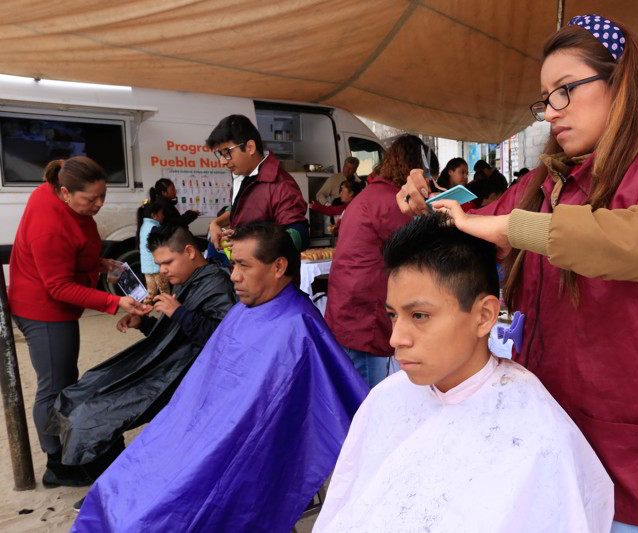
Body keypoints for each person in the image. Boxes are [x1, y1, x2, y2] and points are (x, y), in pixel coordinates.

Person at [398, 14, 638, 533]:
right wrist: (426, 207)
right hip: (541, 433)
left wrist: (521, 227)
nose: (551, 112)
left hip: (624, 449)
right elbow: (476, 227)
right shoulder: (539, 184)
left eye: (565, 91)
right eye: (546, 98)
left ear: (619, 83)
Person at [314, 214, 614, 533]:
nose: (395, 338)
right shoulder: (385, 399)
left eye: (419, 315)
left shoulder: (537, 436)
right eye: (393, 315)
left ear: (484, 316)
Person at [72, 222, 368, 533]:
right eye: (232, 264)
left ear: (279, 266)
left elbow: (279, 421)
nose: (234, 276)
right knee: (118, 486)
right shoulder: (245, 310)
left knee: (151, 512)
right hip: (195, 430)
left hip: (229, 451)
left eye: (243, 265)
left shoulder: (298, 329)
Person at [51, 224, 236, 477]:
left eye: (168, 262)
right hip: (166, 366)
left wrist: (179, 312)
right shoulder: (185, 281)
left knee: (93, 414)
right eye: (159, 264)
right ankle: (107, 474)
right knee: (84, 390)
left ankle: (111, 480)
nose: (163, 271)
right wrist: (144, 323)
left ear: (190, 251)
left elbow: (222, 342)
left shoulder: (216, 284)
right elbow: (172, 336)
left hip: (183, 376)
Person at [9, 157, 150, 488]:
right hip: (43, 310)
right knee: (54, 385)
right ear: (64, 192)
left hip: (52, 303)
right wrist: (114, 301)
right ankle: (56, 464)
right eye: (91, 200)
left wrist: (99, 264)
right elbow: (57, 285)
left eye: (103, 197)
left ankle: (65, 451)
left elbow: (73, 254)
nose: (99, 205)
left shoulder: (54, 191)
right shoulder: (50, 226)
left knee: (64, 381)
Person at [325, 135, 436, 388]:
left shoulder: (373, 194)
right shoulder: (391, 202)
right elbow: (417, 253)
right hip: (363, 314)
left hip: (350, 309)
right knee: (364, 396)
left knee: (353, 389)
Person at [206, 114, 309, 251]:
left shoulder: (281, 184)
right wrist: (216, 223)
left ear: (250, 147)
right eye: (220, 154)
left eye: (227, 153)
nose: (223, 161)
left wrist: (248, 243)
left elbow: (299, 235)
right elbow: (237, 208)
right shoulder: (242, 175)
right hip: (243, 268)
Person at [136, 199, 170, 304]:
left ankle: (142, 312)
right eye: (161, 214)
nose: (163, 216)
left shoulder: (143, 226)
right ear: (154, 215)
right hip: (157, 267)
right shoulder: (154, 227)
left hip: (147, 268)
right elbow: (160, 246)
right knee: (165, 293)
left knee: (150, 293)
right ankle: (168, 314)